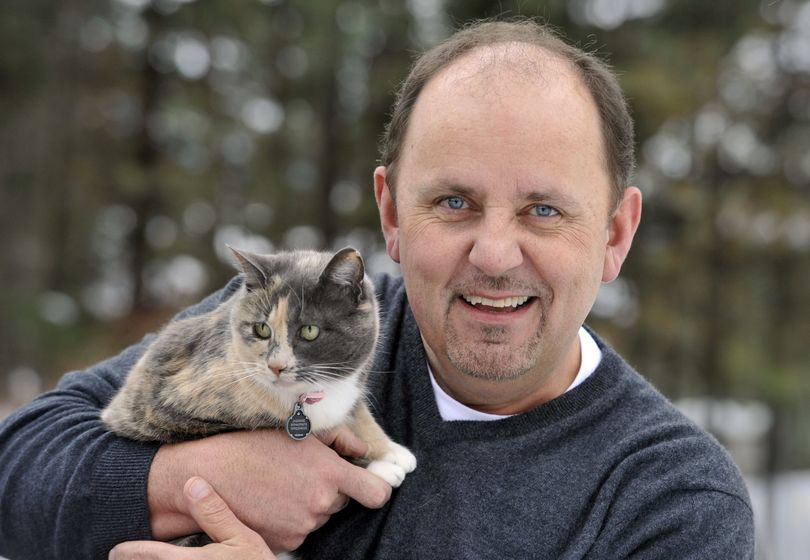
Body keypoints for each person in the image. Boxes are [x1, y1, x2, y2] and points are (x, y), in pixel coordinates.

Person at [0, 18, 755, 560]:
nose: (494, 255)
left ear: (616, 235)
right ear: (391, 214)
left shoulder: (672, 501)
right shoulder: (292, 322)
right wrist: (191, 478)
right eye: (453, 202)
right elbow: (19, 465)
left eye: (544, 210)